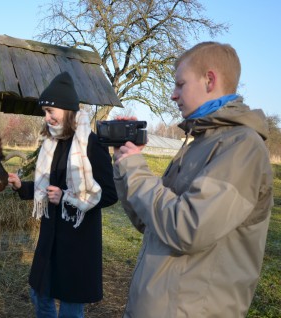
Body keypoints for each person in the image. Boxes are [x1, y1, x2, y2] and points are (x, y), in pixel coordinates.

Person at [113, 41, 273, 317]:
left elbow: (187, 228)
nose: (173, 95)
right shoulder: (197, 144)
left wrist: (136, 169)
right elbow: (147, 221)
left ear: (210, 80)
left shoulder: (242, 147)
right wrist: (123, 164)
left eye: (180, 84)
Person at [8, 72, 117, 318]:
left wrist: (68, 197)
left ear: (67, 110)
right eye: (45, 112)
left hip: (78, 241)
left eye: (50, 111)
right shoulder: (52, 142)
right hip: (52, 235)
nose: (46, 118)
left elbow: (110, 194)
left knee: (70, 306)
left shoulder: (91, 144)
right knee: (39, 293)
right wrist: (20, 186)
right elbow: (48, 186)